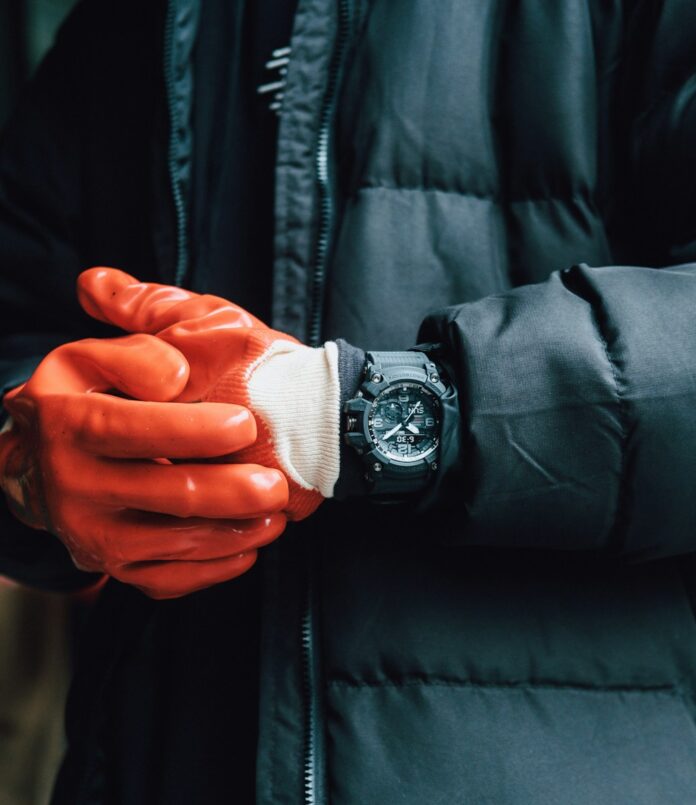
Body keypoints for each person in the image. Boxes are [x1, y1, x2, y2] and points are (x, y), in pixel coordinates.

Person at [2, 1, 696, 802]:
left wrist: (334, 415)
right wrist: (25, 460)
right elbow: (23, 319)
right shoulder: (130, 21)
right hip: (148, 758)